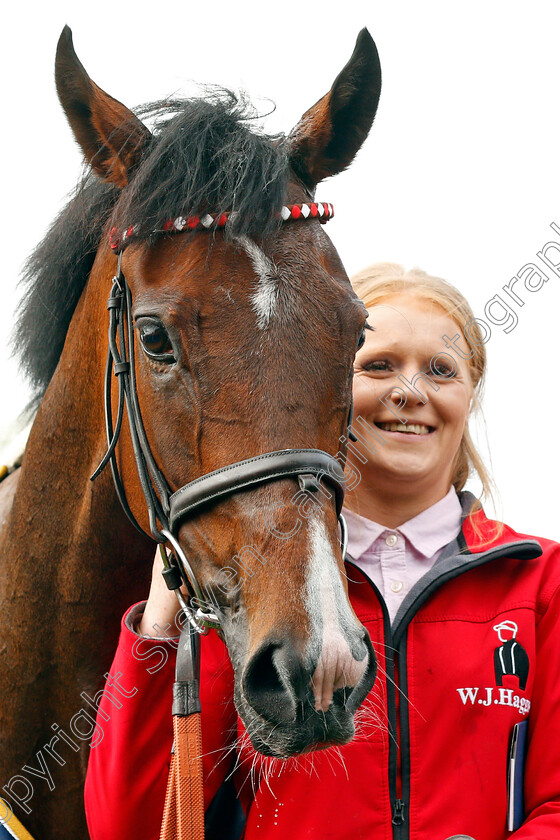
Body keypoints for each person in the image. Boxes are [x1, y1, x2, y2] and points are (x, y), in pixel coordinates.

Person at [84, 263, 560, 840]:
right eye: (378, 366)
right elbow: (129, 825)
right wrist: (160, 622)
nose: (409, 391)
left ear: (469, 396)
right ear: (329, 389)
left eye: (441, 371)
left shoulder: (542, 580)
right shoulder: (246, 579)